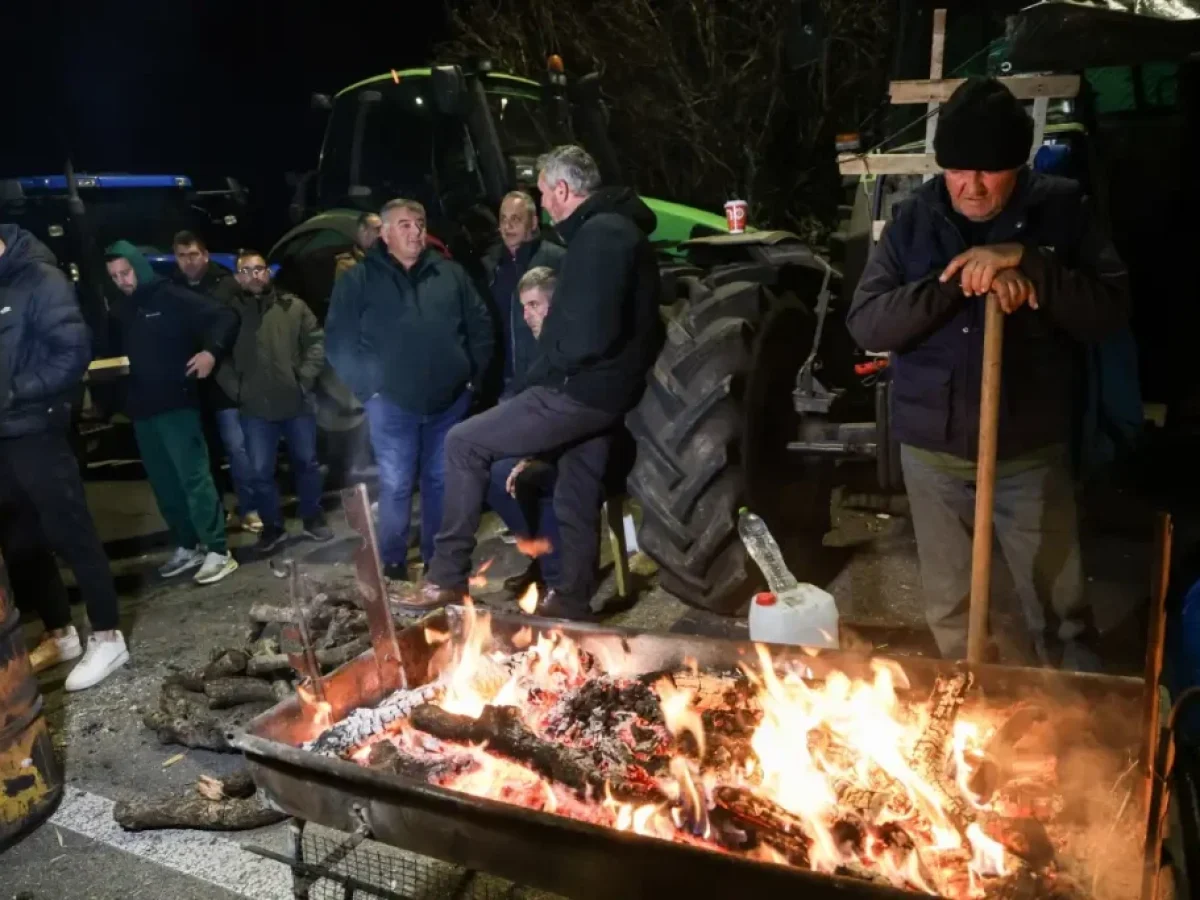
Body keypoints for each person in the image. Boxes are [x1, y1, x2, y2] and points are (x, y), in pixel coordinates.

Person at [846, 78, 1130, 667]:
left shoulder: (1063, 211)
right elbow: (868, 324)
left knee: (1059, 611)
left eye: (989, 172)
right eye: (957, 171)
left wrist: (1032, 264)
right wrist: (958, 279)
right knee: (953, 609)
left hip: (1027, 452)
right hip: (934, 454)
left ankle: (1077, 724)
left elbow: (1108, 311)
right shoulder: (914, 221)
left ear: (1018, 166)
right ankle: (971, 716)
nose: (971, 187)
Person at [426, 145, 663, 619]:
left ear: (562, 189)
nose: (543, 204)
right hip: (605, 394)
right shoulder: (613, 230)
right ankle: (571, 600)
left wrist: (546, 369)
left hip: (580, 392)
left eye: (543, 193)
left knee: (463, 443)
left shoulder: (600, 236)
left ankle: (447, 579)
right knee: (576, 492)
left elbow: (587, 336)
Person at [326, 199, 493, 581]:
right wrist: (370, 389)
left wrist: (472, 380)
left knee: (439, 482)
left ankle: (437, 561)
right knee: (397, 483)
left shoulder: (449, 274)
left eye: (419, 223)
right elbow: (339, 341)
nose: (415, 231)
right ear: (384, 234)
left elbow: (480, 326)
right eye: (404, 225)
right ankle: (394, 563)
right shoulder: (359, 280)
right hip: (392, 405)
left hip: (449, 402)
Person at [0, 224, 128, 690]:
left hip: (37, 428)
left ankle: (109, 636)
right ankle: (60, 633)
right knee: (21, 543)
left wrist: (15, 391)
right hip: (3, 437)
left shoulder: (39, 278)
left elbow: (73, 352)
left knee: (70, 532)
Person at [105, 241, 241, 586]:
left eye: (126, 272)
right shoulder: (122, 310)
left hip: (176, 405)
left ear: (140, 266)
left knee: (194, 477)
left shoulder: (171, 296)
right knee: (164, 483)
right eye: (115, 276)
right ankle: (188, 543)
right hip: (142, 410)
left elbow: (224, 316)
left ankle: (218, 549)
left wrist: (211, 352)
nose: (122, 280)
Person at [218, 250, 332, 552]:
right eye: (247, 271)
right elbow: (219, 356)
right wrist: (237, 390)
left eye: (260, 269)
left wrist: (304, 379)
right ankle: (273, 526)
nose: (255, 275)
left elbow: (316, 341)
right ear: (238, 277)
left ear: (269, 273)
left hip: (297, 403)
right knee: (260, 471)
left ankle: (312, 518)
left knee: (307, 463)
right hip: (255, 408)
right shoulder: (229, 315)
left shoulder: (292, 307)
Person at [171, 230, 260, 534]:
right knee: (204, 455)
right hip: (193, 385)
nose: (189, 261)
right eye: (182, 256)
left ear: (205, 255)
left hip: (225, 379)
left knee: (238, 448)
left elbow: (236, 325)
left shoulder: (225, 285)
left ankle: (250, 508)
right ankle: (216, 512)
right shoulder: (172, 288)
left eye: (194, 254)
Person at [485, 267, 564, 591]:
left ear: (553, 305)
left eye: (534, 305)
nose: (526, 315)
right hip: (544, 442)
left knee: (524, 478)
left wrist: (531, 456)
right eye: (523, 307)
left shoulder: (564, 345)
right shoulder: (539, 346)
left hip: (575, 446)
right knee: (493, 474)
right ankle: (539, 557)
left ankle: (555, 574)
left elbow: (566, 412)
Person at [481, 191, 565, 389]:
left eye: (516, 219)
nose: (507, 226)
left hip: (545, 381)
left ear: (534, 223)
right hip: (502, 382)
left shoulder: (558, 260)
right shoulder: (489, 265)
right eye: (503, 219)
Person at [334, 212, 384, 279]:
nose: (381, 235)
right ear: (363, 231)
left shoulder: (387, 257)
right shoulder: (347, 265)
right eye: (377, 230)